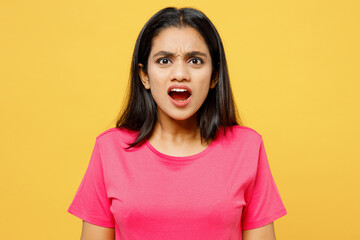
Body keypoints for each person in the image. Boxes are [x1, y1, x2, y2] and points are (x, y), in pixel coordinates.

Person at [67, 7, 287, 240]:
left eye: (195, 60)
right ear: (144, 76)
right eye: (164, 60)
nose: (180, 74)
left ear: (214, 76)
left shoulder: (247, 148)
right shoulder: (109, 149)